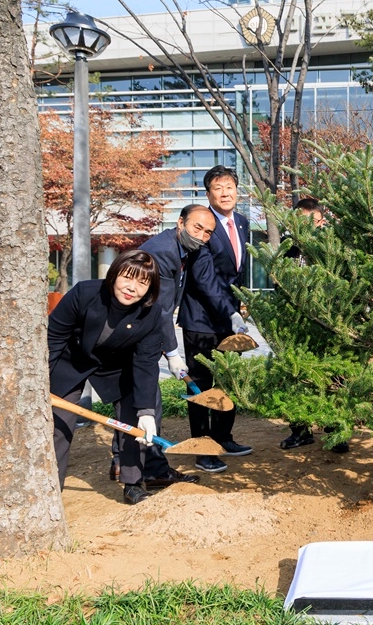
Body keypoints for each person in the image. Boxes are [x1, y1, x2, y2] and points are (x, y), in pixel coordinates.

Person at [48, 250, 163, 505]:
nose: (132, 288)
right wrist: (41, 380)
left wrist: (146, 411)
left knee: (133, 420)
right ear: (114, 274)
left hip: (120, 366)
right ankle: (50, 487)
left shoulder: (152, 314)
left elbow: (146, 363)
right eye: (127, 278)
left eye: (142, 283)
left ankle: (133, 483)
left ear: (150, 288)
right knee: (59, 423)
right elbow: (54, 336)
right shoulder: (85, 293)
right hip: (73, 359)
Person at [128, 204, 218, 489]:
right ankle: (146, 470)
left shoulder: (182, 250)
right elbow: (162, 311)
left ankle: (132, 463)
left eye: (208, 233)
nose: (202, 236)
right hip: (135, 333)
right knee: (145, 404)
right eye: (197, 228)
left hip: (145, 330)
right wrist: (173, 353)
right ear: (180, 223)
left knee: (140, 402)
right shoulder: (162, 253)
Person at [178, 165, 254, 473]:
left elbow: (238, 269)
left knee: (228, 381)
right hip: (200, 319)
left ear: (237, 191)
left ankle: (223, 438)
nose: (225, 193)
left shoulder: (244, 222)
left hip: (229, 318)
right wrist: (230, 312)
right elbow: (204, 278)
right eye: (218, 188)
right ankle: (202, 449)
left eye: (230, 187)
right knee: (202, 386)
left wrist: (243, 301)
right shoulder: (204, 224)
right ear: (208, 194)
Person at [278, 197, 350, 453]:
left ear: (321, 221)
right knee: (297, 377)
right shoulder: (288, 250)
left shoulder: (333, 250)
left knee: (335, 377)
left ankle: (336, 431)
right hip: (297, 326)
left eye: (312, 222)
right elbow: (279, 283)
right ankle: (300, 431)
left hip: (328, 326)